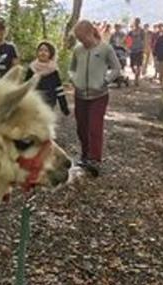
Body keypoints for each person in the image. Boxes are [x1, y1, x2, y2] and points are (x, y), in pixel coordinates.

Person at [69, 20, 121, 177]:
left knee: (94, 126)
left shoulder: (105, 48)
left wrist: (104, 81)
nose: (80, 41)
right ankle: (85, 155)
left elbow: (116, 68)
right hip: (80, 95)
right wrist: (73, 79)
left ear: (90, 32)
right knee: (81, 127)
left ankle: (94, 159)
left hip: (99, 95)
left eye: (82, 37)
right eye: (78, 38)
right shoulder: (78, 50)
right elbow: (72, 69)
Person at [25, 41, 70, 116]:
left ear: (50, 54)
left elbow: (59, 89)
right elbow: (26, 86)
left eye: (46, 51)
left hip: (49, 102)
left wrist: (64, 107)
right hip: (33, 101)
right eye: (40, 50)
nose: (43, 53)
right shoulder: (32, 68)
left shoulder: (53, 70)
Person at [127, 17, 146, 86]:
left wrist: (144, 48)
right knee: (132, 66)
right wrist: (128, 47)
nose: (136, 23)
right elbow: (128, 40)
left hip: (139, 50)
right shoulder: (131, 32)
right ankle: (136, 74)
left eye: (137, 22)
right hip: (133, 50)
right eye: (135, 22)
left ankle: (136, 79)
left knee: (139, 65)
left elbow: (144, 40)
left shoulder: (141, 31)